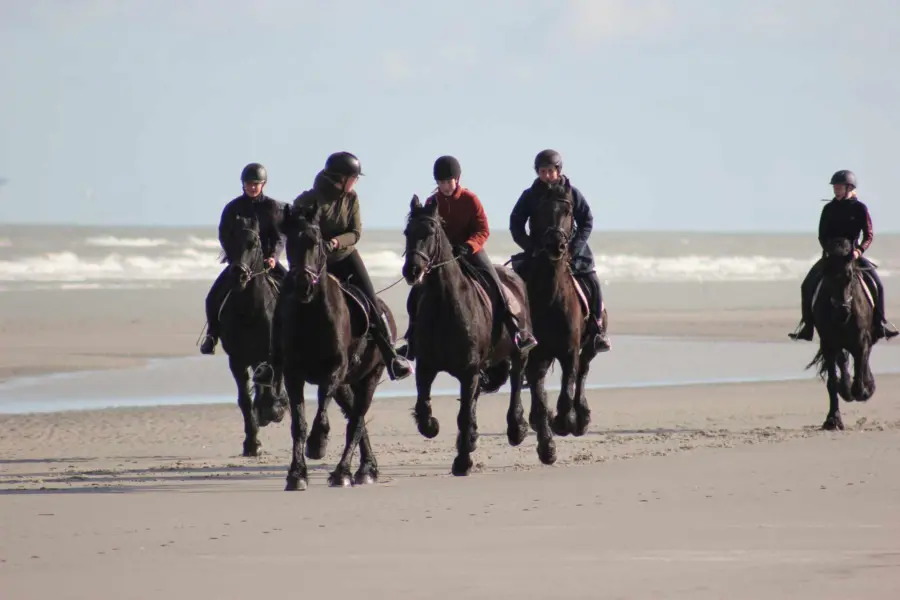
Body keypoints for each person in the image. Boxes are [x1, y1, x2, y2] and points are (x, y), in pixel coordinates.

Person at [395, 155, 539, 360]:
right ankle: (412, 340)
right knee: (416, 293)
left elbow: (483, 230)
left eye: (449, 181)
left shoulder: (470, 200)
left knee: (494, 281)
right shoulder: (431, 203)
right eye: (441, 182)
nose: (445, 186)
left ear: (457, 179)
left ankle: (517, 330)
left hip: (470, 252)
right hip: (442, 258)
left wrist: (468, 246)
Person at [288, 151, 412, 381]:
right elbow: (297, 232)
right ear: (341, 178)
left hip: (345, 257)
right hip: (314, 262)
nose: (356, 182)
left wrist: (335, 242)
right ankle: (273, 361)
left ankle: (391, 357)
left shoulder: (351, 198)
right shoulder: (307, 200)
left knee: (372, 302)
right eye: (354, 178)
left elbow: (355, 233)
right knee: (283, 300)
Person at [509, 149, 611, 353]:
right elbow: (515, 223)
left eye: (550, 171)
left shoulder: (573, 193)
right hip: (539, 252)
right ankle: (519, 331)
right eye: (542, 171)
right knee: (514, 283)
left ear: (558, 170)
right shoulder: (530, 195)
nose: (547, 175)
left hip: (570, 250)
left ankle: (598, 330)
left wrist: (574, 247)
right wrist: (530, 246)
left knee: (592, 280)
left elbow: (587, 221)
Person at [789, 169, 898, 342]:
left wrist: (858, 251)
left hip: (853, 255)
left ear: (849, 188)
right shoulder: (828, 209)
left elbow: (868, 235)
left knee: (878, 285)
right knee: (806, 285)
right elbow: (822, 235)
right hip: (832, 256)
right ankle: (807, 326)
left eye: (839, 187)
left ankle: (879, 325)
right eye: (835, 187)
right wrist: (830, 251)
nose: (836, 190)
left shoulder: (860, 208)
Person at [199, 162, 287, 355]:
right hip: (241, 261)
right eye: (249, 183)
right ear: (243, 184)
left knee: (292, 290)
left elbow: (280, 236)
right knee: (213, 296)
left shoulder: (272, 207)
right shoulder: (233, 208)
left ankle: (296, 336)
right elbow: (224, 235)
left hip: (266, 262)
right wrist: (236, 257)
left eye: (256, 183)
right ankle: (212, 335)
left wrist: (273, 256)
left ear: (263, 184)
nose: (252, 187)